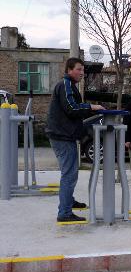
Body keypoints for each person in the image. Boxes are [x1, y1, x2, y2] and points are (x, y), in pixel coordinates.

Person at [46, 58, 105, 222]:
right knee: (69, 174)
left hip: (64, 135)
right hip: (62, 136)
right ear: (69, 70)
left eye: (83, 70)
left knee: (70, 173)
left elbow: (73, 111)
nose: (82, 73)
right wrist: (92, 107)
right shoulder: (65, 85)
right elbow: (71, 108)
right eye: (79, 69)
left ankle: (68, 202)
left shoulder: (69, 86)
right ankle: (64, 213)